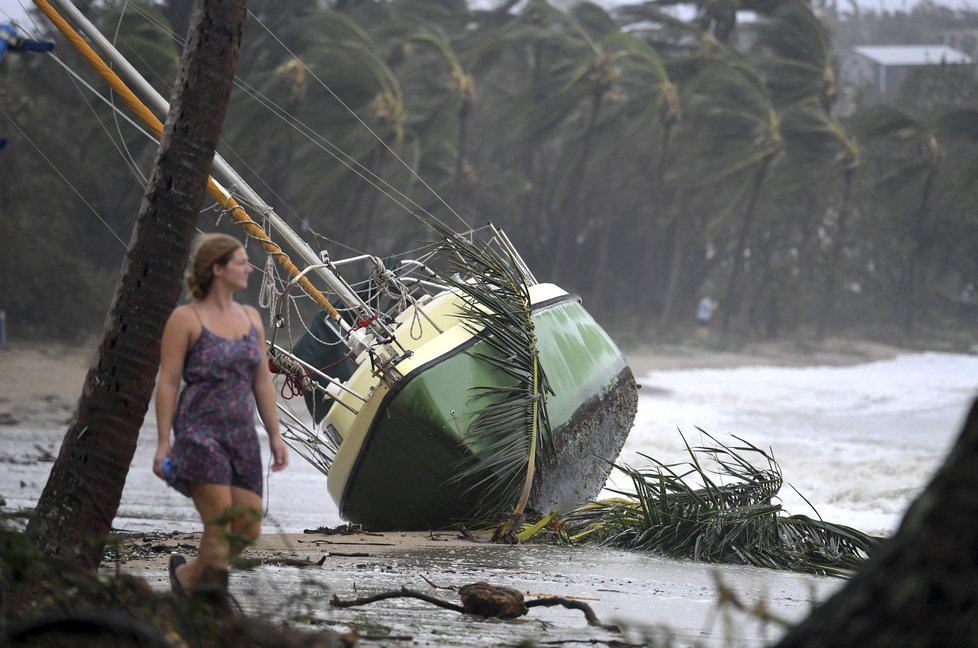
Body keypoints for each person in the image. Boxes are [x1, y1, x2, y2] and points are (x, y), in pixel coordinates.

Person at [153, 233, 288, 600]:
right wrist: (164, 442)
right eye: (241, 261)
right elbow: (167, 382)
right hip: (199, 432)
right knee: (221, 523)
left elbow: (262, 381)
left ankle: (189, 576)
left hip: (242, 436)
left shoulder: (251, 319)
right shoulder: (186, 318)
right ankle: (212, 606)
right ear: (217, 269)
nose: (249, 267)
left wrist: (275, 435)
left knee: (246, 527)